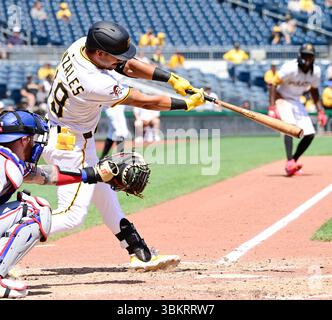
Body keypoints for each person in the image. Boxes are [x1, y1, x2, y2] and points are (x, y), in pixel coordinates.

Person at [44, 20, 205, 271]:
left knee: (104, 192)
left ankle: (138, 251)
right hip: (68, 146)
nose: (119, 60)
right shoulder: (94, 82)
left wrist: (172, 78)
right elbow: (145, 102)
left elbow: (126, 65)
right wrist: (185, 104)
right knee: (71, 216)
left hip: (71, 137)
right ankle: (11, 233)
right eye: (114, 55)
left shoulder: (80, 47)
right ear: (99, 53)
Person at [0, 110, 124, 298]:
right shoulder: (5, 165)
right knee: (34, 211)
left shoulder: (9, 160)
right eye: (33, 138)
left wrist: (92, 174)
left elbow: (46, 175)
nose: (35, 144)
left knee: (32, 207)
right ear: (24, 140)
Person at [269, 43, 327, 176]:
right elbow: (272, 84)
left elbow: (314, 91)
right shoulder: (290, 67)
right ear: (299, 56)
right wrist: (272, 107)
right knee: (289, 127)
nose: (307, 59)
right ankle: (289, 162)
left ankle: (293, 161)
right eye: (305, 56)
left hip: (296, 100)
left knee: (310, 133)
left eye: (310, 56)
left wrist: (320, 111)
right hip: (282, 97)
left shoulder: (316, 71)